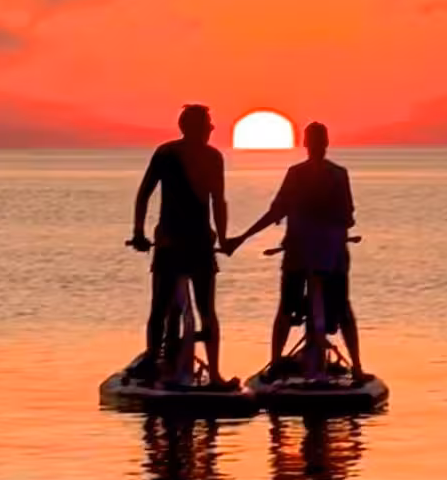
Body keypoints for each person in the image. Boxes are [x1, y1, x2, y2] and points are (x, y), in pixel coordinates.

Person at [221, 121, 364, 380]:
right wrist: (241, 238)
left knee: (288, 308)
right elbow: (347, 216)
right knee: (341, 309)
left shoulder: (298, 174)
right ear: (325, 143)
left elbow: (276, 211)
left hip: (302, 253)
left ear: (305, 144)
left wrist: (241, 239)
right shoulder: (337, 174)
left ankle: (276, 363)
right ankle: (357, 368)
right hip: (329, 255)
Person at [130, 104, 231, 386]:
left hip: (173, 243)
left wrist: (138, 232)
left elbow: (143, 194)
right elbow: (218, 202)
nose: (211, 130)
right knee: (204, 309)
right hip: (195, 243)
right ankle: (215, 376)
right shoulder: (208, 157)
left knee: (160, 308)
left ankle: (154, 362)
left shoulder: (166, 153)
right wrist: (223, 239)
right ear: (197, 128)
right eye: (208, 125)